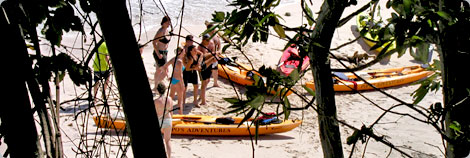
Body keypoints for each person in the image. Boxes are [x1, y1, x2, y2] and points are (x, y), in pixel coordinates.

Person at [160, 48, 185, 114]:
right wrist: (182, 84)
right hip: (178, 81)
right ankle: (181, 115)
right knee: (180, 101)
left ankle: (169, 114)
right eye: (183, 52)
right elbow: (180, 75)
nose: (184, 53)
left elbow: (163, 67)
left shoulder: (173, 59)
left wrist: (168, 75)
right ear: (180, 52)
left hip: (173, 80)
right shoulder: (179, 61)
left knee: (171, 99)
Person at [198, 34, 219, 106]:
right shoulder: (200, 47)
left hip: (209, 64)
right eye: (207, 40)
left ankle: (201, 96)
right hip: (203, 66)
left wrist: (214, 54)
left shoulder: (208, 45)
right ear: (204, 40)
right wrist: (212, 54)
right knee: (203, 83)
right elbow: (203, 56)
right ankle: (203, 101)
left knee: (208, 80)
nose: (209, 41)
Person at [154, 85, 173, 158]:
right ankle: (169, 156)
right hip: (168, 120)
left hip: (159, 120)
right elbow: (171, 112)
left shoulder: (156, 101)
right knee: (168, 141)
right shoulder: (170, 99)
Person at [153, 16, 172, 91]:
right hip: (159, 53)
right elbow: (154, 42)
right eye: (167, 22)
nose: (168, 24)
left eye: (169, 22)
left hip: (165, 52)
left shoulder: (167, 31)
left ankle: (155, 86)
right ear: (163, 23)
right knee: (165, 71)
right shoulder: (160, 31)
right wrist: (158, 54)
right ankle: (158, 85)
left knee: (158, 70)